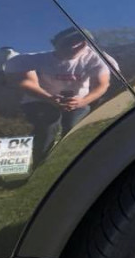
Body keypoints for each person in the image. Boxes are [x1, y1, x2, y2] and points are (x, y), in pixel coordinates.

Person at [6, 29, 111, 165]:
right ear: (55, 44)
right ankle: (40, 163)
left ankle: (73, 161)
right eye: (69, 42)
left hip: (78, 101)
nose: (76, 46)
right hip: (42, 99)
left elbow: (102, 84)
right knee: (48, 126)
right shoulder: (34, 59)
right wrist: (49, 98)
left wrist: (82, 101)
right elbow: (26, 82)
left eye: (82, 42)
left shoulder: (96, 58)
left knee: (75, 128)